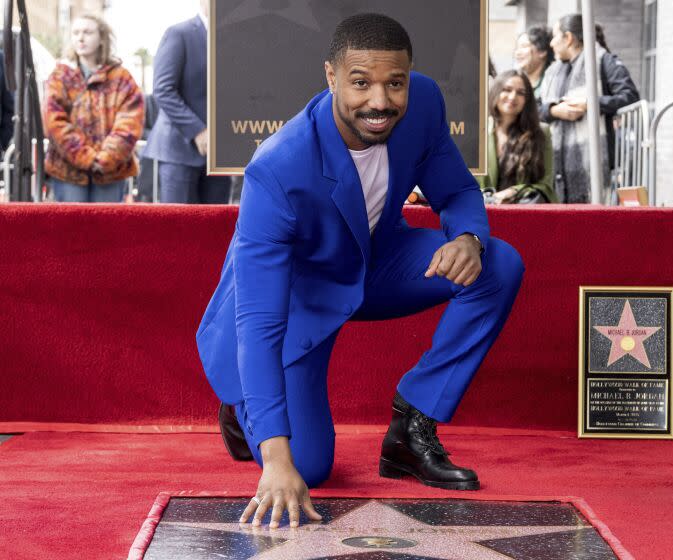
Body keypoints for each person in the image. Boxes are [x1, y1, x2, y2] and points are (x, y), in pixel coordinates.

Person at [196, 13, 524, 529]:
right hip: (298, 296)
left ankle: (412, 428)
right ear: (331, 77)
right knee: (310, 467)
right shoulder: (277, 168)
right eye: (361, 83)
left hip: (374, 263)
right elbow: (259, 322)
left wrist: (467, 237)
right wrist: (277, 462)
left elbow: (458, 190)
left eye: (394, 83)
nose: (380, 101)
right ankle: (243, 408)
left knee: (495, 263)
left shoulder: (424, 105)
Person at [43, 14, 143, 203]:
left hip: (110, 172)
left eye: (87, 32)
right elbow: (54, 122)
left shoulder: (121, 78)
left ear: (101, 37)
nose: (80, 38)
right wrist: (86, 157)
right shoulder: (60, 76)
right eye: (76, 33)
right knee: (72, 229)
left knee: (106, 229)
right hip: (68, 173)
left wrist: (105, 158)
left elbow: (130, 123)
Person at [540, 15, 640, 203]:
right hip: (557, 166)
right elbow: (536, 108)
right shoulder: (553, 72)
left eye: (555, 36)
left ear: (568, 38)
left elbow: (630, 97)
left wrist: (591, 104)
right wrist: (554, 111)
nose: (552, 43)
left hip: (596, 165)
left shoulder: (605, 61)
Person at [144, 0, 231, 203]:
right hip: (179, 151)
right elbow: (163, 90)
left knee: (214, 228)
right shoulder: (179, 33)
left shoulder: (235, 39)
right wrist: (198, 131)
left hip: (220, 156)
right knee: (178, 229)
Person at [478, 69, 556, 204]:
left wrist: (513, 191)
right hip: (480, 213)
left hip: (523, 214)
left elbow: (545, 185)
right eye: (507, 90)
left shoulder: (541, 132)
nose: (512, 96)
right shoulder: (477, 131)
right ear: (495, 92)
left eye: (521, 93)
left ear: (528, 100)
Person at [514, 25, 554, 105]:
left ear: (542, 52)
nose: (517, 53)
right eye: (517, 48)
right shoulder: (514, 80)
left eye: (524, 46)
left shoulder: (552, 82)